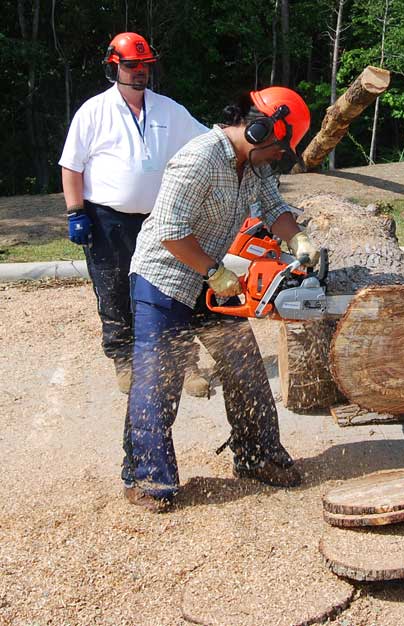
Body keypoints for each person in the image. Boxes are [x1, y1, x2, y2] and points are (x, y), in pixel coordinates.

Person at [123, 86, 319, 512]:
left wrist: (298, 238)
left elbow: (273, 207)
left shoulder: (251, 164)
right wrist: (213, 271)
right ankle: (146, 477)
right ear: (260, 129)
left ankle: (256, 456)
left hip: (212, 277)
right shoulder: (199, 158)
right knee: (161, 376)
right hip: (166, 277)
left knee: (244, 364)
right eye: (279, 148)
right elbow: (170, 232)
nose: (279, 156)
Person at [59, 32, 208, 393]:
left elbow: (206, 143)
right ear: (114, 67)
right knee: (113, 293)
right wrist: (75, 211)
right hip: (107, 219)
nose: (140, 72)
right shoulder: (93, 112)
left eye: (145, 66)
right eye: (131, 65)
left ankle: (185, 363)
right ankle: (125, 361)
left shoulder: (170, 111)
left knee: (174, 289)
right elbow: (71, 165)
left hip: (161, 221)